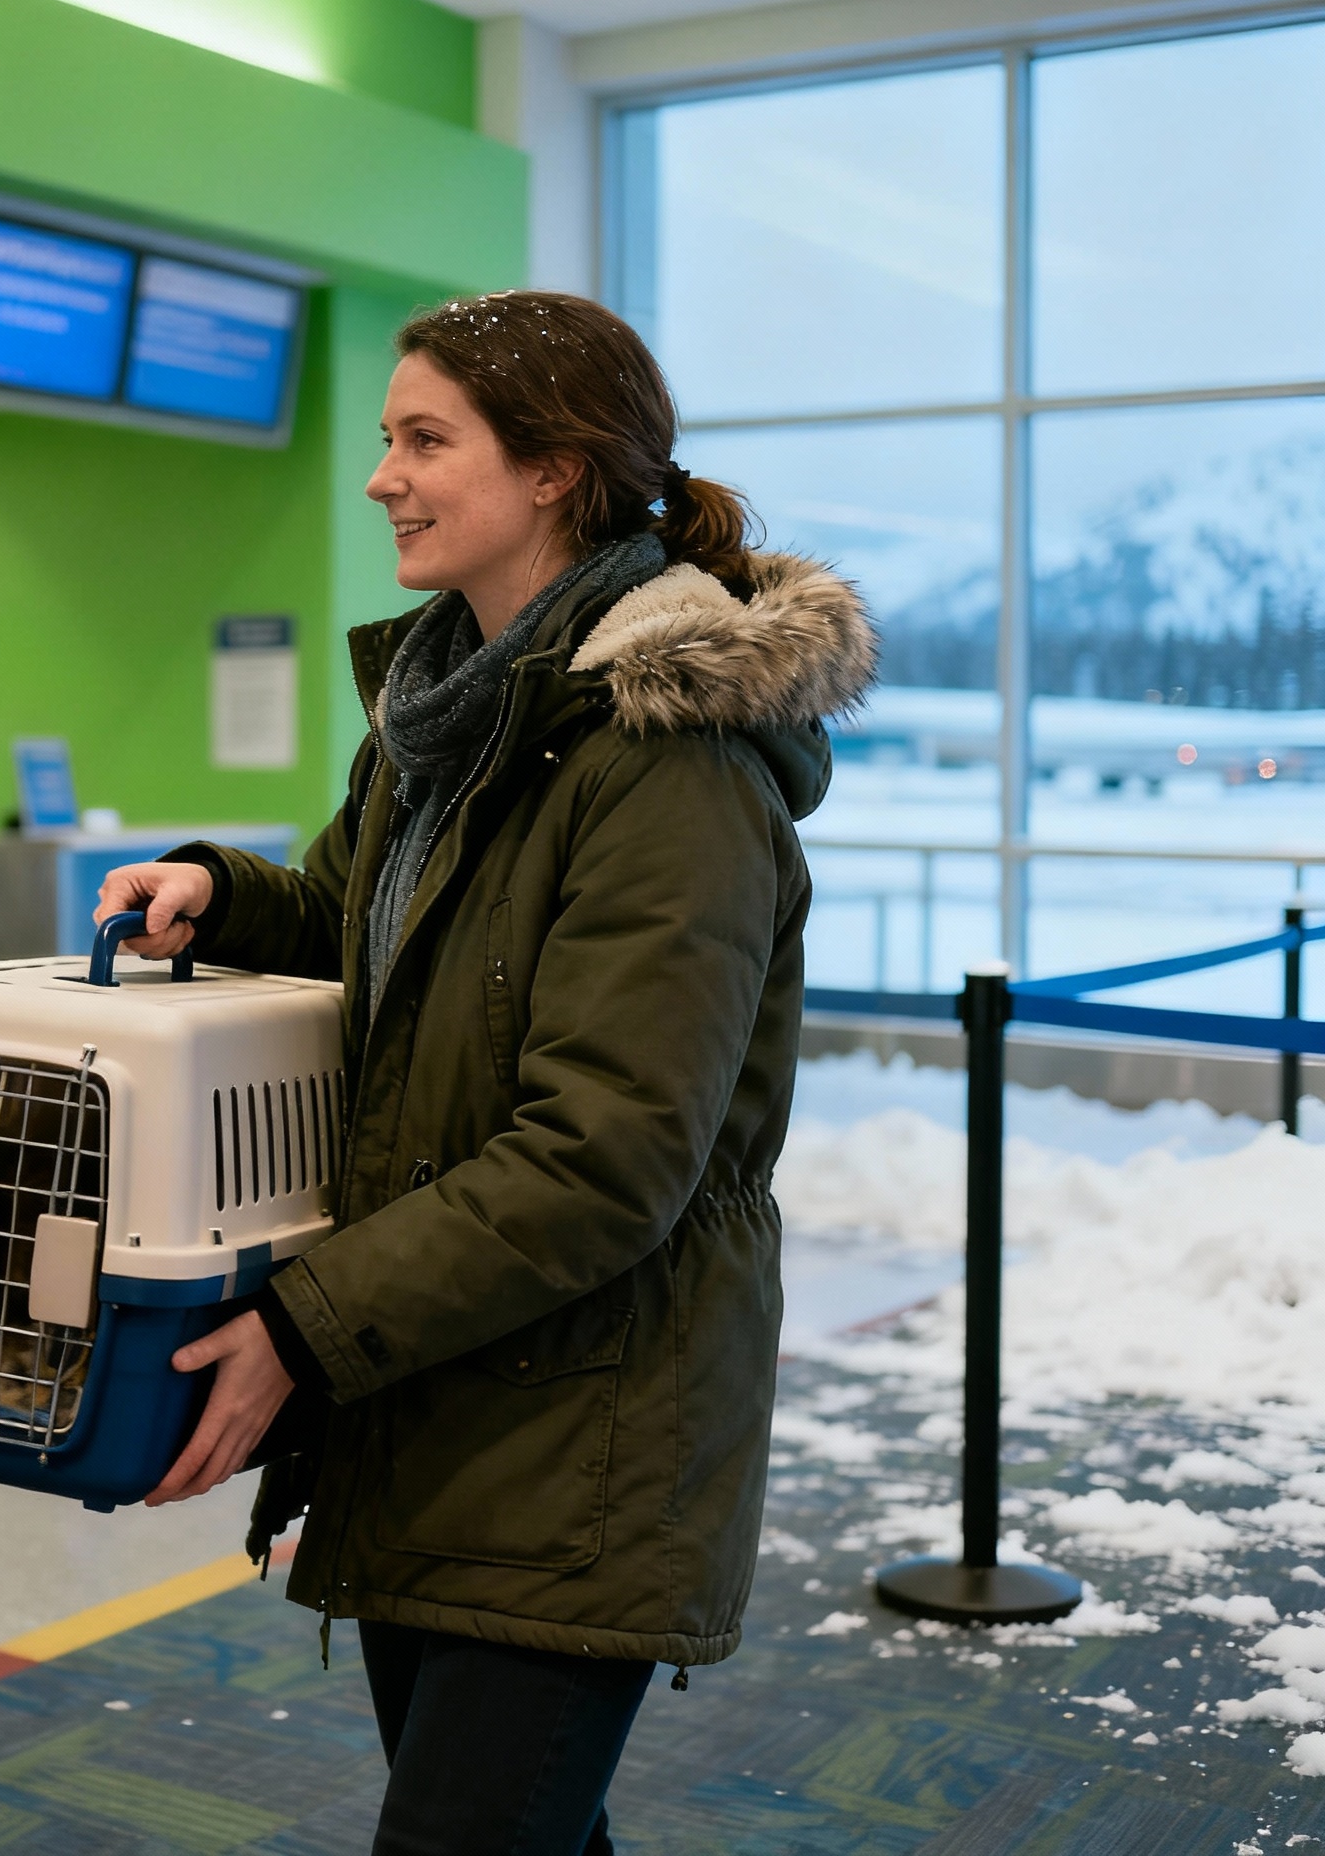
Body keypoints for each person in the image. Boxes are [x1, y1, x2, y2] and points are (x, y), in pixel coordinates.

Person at [95, 290, 876, 1856]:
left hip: (584, 1424)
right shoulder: (448, 716)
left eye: (423, 439)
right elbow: (369, 926)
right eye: (386, 439)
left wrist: (302, 1332)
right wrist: (223, 895)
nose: (380, 475)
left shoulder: (667, 760)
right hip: (443, 1390)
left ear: (556, 473)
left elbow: (609, 1154)